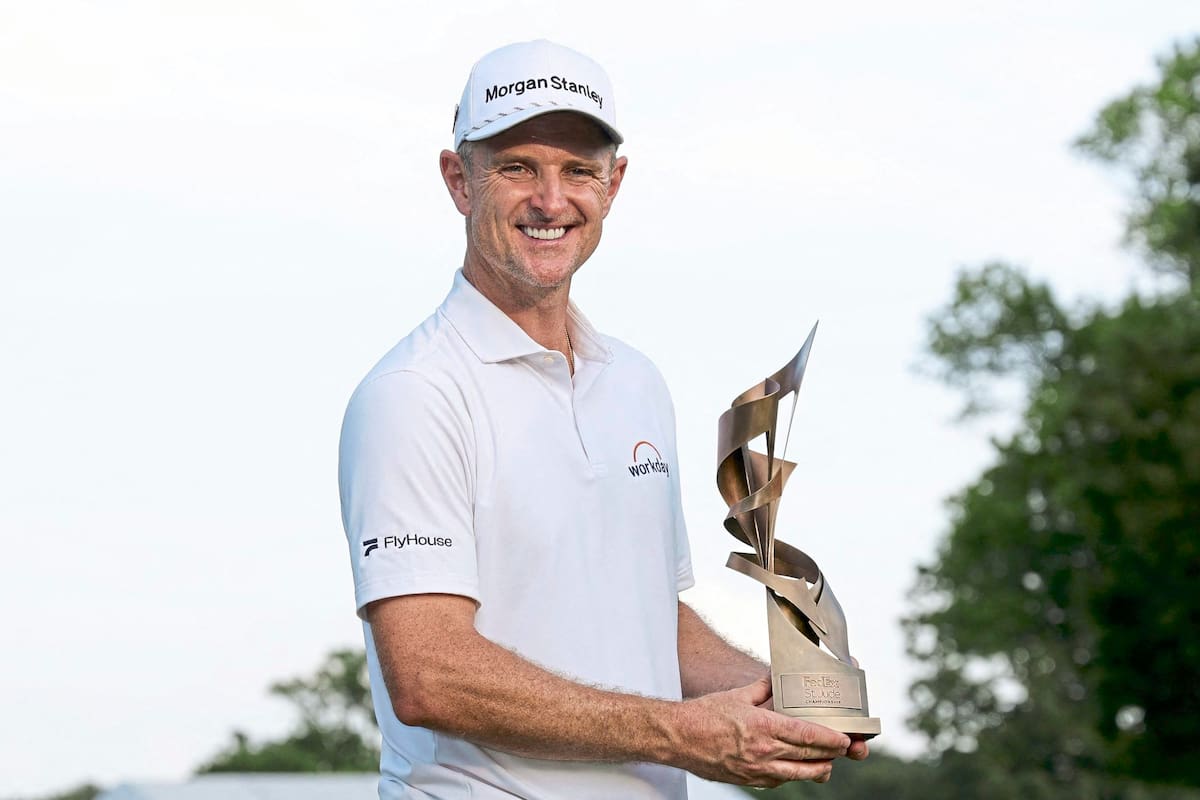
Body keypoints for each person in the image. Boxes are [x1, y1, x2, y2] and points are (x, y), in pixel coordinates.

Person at [338, 39, 869, 799]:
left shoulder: (636, 383)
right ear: (460, 181)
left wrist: (783, 694)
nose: (552, 201)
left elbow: (646, 619)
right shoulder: (415, 393)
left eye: (579, 170)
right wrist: (684, 733)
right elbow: (429, 676)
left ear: (614, 185)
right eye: (518, 166)